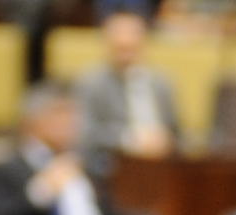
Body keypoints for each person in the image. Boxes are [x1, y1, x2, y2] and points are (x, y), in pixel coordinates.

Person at [0, 82, 121, 215]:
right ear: (31, 121)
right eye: (59, 113)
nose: (69, 122)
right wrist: (43, 189)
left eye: (73, 114)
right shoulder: (9, 169)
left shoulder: (86, 164)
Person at [77, 9, 185, 156]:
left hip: (162, 160)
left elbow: (178, 131)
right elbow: (86, 132)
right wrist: (129, 139)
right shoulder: (92, 82)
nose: (125, 40)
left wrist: (166, 139)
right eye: (120, 46)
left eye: (132, 37)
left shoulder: (161, 81)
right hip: (116, 161)